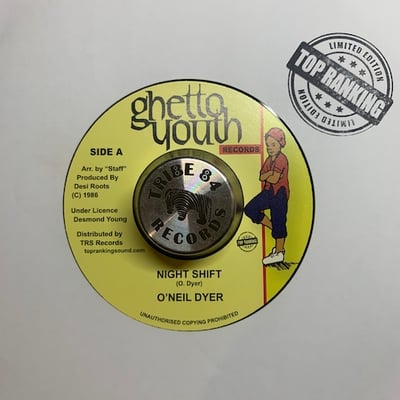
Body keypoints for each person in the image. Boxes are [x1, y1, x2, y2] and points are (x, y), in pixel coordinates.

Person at [244, 127, 289, 265]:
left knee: (279, 220)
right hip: (268, 192)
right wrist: (270, 174)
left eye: (273, 144)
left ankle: (279, 253)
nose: (270, 148)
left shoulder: (281, 159)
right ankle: (275, 228)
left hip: (280, 194)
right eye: (268, 145)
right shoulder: (269, 160)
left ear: (280, 144)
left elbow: (274, 179)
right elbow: (261, 176)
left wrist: (269, 175)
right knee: (250, 209)